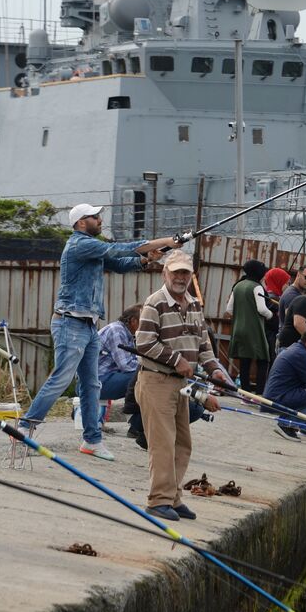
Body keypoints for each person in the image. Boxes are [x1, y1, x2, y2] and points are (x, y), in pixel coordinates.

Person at [19, 203, 177, 460]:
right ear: (82, 222)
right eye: (95, 217)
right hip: (70, 323)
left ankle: (92, 440)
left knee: (92, 384)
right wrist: (165, 241)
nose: (100, 220)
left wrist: (148, 258)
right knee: (61, 378)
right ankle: (25, 427)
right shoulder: (80, 245)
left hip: (88, 325)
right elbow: (118, 249)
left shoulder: (91, 249)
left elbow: (120, 263)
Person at [134, 250, 227, 521]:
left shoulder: (194, 304)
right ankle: (158, 501)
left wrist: (214, 369)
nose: (180, 277)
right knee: (163, 444)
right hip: (156, 381)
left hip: (182, 384)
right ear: (165, 273)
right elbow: (144, 342)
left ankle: (173, 498)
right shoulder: (155, 302)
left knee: (182, 443)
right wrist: (176, 361)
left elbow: (203, 344)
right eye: (175, 272)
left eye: (185, 272)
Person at [225, 260, 274, 393]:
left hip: (238, 329)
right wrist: (271, 315)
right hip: (255, 330)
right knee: (263, 359)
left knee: (244, 362)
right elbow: (262, 309)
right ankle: (259, 393)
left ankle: (245, 393)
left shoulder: (238, 286)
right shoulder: (257, 287)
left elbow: (229, 309)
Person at [97, 305, 142, 417]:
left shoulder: (127, 334)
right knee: (144, 377)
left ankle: (136, 420)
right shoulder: (116, 331)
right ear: (133, 321)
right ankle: (134, 420)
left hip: (105, 378)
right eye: (144, 321)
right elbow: (126, 365)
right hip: (96, 382)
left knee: (144, 375)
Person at [261, 267, 291, 355]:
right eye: (287, 283)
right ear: (279, 282)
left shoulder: (271, 297)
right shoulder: (272, 299)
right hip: (271, 340)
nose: (288, 287)